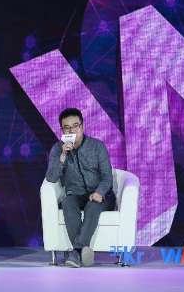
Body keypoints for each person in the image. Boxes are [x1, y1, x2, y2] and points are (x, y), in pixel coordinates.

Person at [46, 108, 115, 268]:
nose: (72, 131)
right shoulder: (57, 149)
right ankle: (81, 252)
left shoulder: (97, 146)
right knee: (67, 203)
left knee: (93, 205)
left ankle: (76, 252)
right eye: (67, 128)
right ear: (62, 130)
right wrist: (63, 156)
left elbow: (107, 176)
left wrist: (99, 192)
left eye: (75, 126)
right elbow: (51, 177)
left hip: (100, 195)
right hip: (75, 194)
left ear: (82, 127)